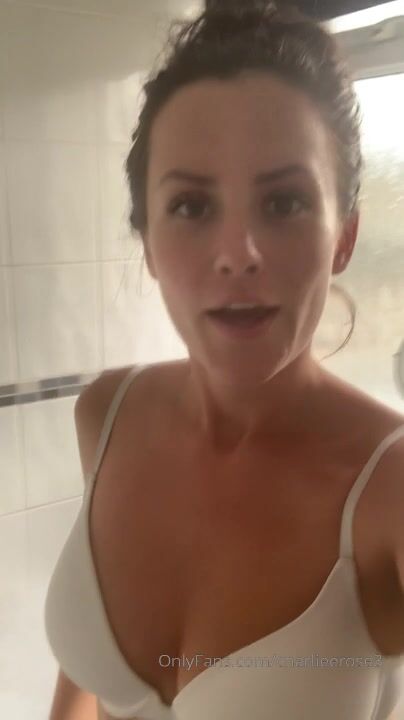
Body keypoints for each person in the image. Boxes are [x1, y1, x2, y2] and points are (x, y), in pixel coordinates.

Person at [45, 2, 404, 718]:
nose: (239, 255)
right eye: (191, 206)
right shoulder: (107, 416)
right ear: (147, 241)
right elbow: (80, 689)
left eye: (285, 202)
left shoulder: (388, 492)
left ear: (343, 236)